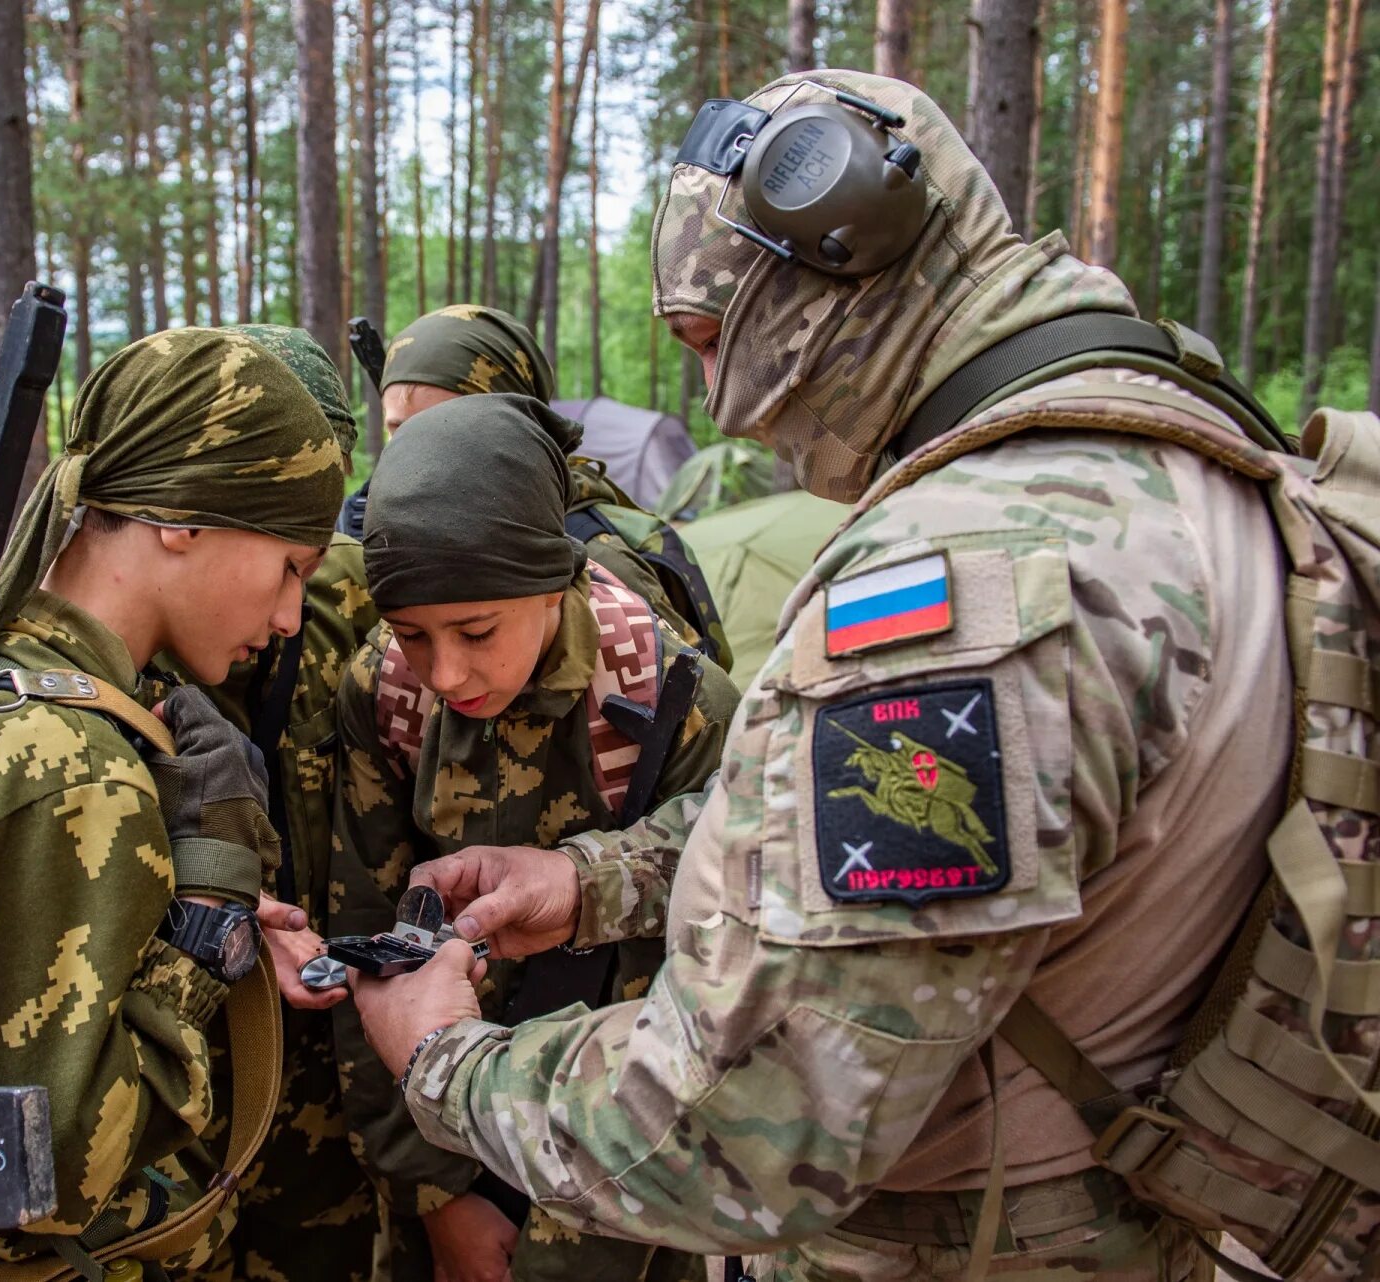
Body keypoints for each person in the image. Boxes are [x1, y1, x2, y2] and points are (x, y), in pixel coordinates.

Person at [350, 69, 1290, 1279]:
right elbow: (907, 884)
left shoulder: (966, 587)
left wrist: (446, 1062)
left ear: (835, 258)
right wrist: (594, 883)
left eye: (709, 338)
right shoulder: (1181, 450)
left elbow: (743, 1135)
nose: (722, 405)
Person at [0, 328, 345, 1276]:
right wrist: (205, 927)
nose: (290, 617)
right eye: (288, 566)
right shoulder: (68, 763)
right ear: (183, 520)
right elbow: (48, 1179)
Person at [330, 392, 740, 1282]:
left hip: (619, 1147)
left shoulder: (672, 700)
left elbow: (735, 931)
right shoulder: (388, 692)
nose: (445, 672)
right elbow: (366, 942)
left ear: (556, 582)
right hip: (438, 1123)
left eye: (477, 631)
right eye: (410, 632)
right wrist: (433, 1195)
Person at [151, 324, 380, 1282]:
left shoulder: (359, 605)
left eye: (313, 548)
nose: (294, 585)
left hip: (322, 1050)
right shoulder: (121, 646)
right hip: (176, 1058)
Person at [343, 304, 727, 665]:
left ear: (518, 428)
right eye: (398, 427)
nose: (412, 449)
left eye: (441, 424)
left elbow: (684, 702)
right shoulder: (371, 530)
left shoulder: (594, 554)